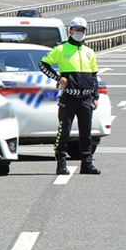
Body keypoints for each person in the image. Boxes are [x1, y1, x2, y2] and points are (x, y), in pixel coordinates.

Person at [39, 17, 101, 175]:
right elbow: (43, 64)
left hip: (86, 98)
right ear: (70, 31)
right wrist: (58, 78)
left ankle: (87, 164)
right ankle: (61, 164)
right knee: (64, 132)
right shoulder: (61, 49)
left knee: (86, 134)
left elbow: (94, 76)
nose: (79, 32)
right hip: (69, 97)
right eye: (76, 29)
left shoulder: (89, 52)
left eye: (82, 30)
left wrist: (96, 96)